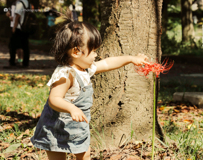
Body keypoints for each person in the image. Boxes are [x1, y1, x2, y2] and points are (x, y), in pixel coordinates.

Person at [30, 12, 149, 160]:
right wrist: (72, 108)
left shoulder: (85, 69)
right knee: (57, 156)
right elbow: (54, 99)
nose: (96, 55)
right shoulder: (66, 74)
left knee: (85, 154)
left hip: (78, 128)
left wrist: (131, 59)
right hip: (56, 128)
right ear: (76, 51)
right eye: (93, 50)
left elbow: (107, 63)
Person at [7, 0, 30, 68]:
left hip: (19, 27)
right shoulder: (27, 2)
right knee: (25, 46)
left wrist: (14, 27)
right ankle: (25, 63)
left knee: (12, 46)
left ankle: (12, 62)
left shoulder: (20, 3)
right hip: (25, 27)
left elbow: (18, 16)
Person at [5, 0, 24, 67]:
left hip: (17, 27)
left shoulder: (20, 3)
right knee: (15, 46)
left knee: (18, 46)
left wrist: (14, 27)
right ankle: (16, 61)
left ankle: (19, 61)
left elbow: (17, 17)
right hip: (15, 26)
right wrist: (9, 15)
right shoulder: (14, 3)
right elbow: (11, 14)